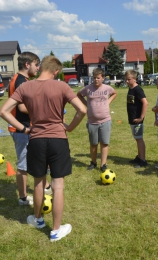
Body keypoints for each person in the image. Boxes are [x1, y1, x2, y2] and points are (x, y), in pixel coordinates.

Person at [0, 55, 87, 241]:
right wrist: (70, 127)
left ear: (42, 68)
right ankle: (55, 230)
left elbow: (3, 111)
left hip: (36, 139)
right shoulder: (62, 86)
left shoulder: (25, 86)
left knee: (38, 183)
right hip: (58, 140)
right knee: (58, 185)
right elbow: (83, 110)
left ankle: (38, 219)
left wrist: (24, 129)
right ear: (56, 71)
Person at [8, 52, 52, 206]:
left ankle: (45, 186)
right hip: (22, 129)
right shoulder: (21, 82)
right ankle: (23, 198)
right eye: (36, 64)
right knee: (23, 165)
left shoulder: (20, 79)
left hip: (25, 127)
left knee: (37, 157)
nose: (38, 68)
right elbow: (21, 107)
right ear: (27, 65)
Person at [77, 68, 117, 172]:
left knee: (104, 143)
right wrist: (87, 105)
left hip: (105, 120)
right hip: (92, 122)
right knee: (93, 143)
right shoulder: (88, 88)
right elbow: (79, 95)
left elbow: (114, 93)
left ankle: (103, 164)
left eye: (98, 78)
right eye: (94, 78)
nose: (96, 80)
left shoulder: (107, 88)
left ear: (103, 78)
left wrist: (108, 102)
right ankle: (93, 162)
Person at [126, 69, 148, 168]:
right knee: (137, 138)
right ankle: (139, 157)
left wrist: (141, 117)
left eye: (128, 79)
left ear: (134, 79)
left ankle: (143, 160)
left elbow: (145, 102)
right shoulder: (131, 88)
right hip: (132, 119)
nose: (126, 81)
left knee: (139, 139)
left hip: (137, 119)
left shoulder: (138, 89)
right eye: (126, 79)